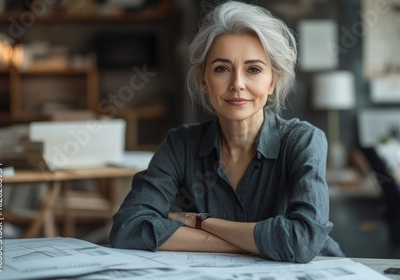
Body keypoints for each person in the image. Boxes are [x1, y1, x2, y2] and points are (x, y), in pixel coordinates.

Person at [110, 1, 344, 263]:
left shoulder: (303, 141)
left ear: (273, 82)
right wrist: (253, 243)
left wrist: (200, 222)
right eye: (222, 68)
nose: (237, 84)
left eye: (253, 69)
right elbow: (128, 228)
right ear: (203, 80)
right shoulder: (180, 144)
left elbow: (302, 241)